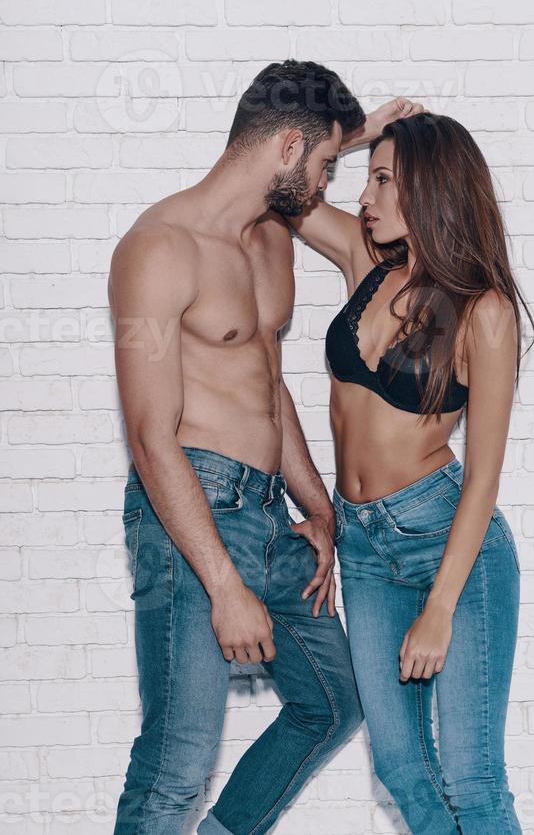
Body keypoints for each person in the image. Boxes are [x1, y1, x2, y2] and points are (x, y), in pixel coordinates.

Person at [108, 60, 401, 835]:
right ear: (287, 149)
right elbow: (148, 435)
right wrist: (224, 585)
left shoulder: (272, 237)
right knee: (176, 764)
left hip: (271, 516)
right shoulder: (159, 248)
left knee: (334, 704)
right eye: (328, 165)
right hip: (190, 517)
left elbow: (267, 387)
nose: (330, 185)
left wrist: (321, 512)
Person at [285, 108, 534, 834]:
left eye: (384, 179)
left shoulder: (482, 311)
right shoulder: (367, 264)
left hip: (448, 543)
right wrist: (358, 135)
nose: (365, 197)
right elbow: (283, 188)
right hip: (365, 550)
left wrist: (440, 607)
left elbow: (484, 478)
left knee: (472, 780)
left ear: (430, 187)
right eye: (366, 177)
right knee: (399, 768)